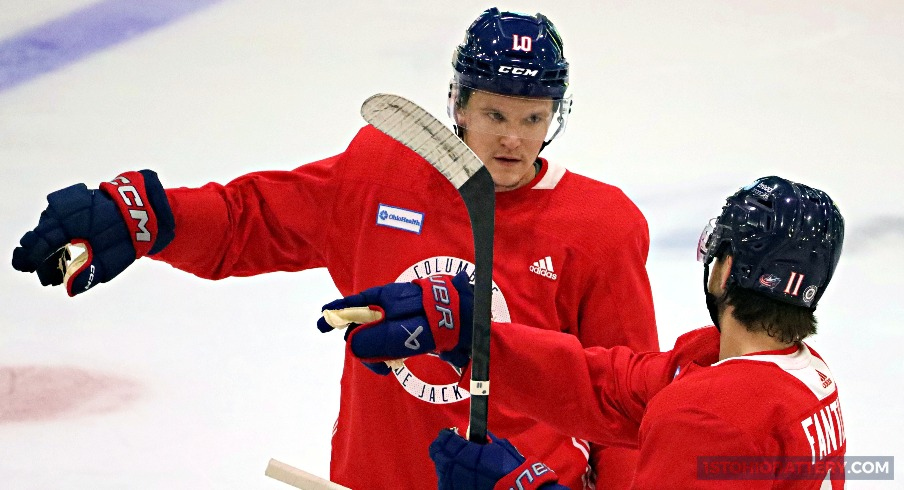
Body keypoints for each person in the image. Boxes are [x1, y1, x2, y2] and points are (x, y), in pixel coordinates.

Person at [10, 7, 658, 490]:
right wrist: (153, 216)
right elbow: (253, 220)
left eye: (532, 118)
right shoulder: (381, 173)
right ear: (458, 105)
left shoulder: (598, 225)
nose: (514, 139)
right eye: (495, 115)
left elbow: (628, 406)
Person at [324, 176, 846, 489]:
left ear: (724, 270)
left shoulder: (709, 416)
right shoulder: (792, 375)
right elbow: (605, 387)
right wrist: (475, 338)